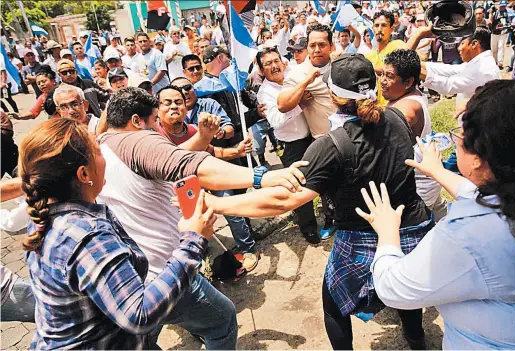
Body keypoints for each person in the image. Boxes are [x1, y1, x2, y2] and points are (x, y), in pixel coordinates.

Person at [203, 54, 433, 350]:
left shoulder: (331, 144)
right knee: (404, 286)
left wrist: (217, 205)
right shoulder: (400, 117)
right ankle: (416, 340)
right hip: (411, 226)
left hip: (362, 236)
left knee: (334, 303)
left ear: (333, 95)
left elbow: (282, 200)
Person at [364, 79, 515, 349]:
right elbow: (503, 202)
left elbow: (393, 288)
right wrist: (439, 172)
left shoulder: (467, 237)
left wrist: (387, 234)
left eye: (460, 133)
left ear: (479, 157)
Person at [97, 87, 307, 348]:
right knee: (223, 320)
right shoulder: (137, 140)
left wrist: (204, 137)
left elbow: (175, 156)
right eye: (153, 121)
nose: (156, 127)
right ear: (137, 121)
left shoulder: (102, 146)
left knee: (145, 336)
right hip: (167, 271)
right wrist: (261, 177)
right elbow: (190, 166)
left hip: (133, 276)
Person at [19, 117, 219, 349]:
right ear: (84, 175)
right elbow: (140, 314)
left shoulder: (44, 215)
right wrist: (192, 241)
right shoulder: (87, 238)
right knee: (222, 319)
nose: (106, 155)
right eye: (99, 150)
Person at [156, 85, 259, 271]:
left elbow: (213, 152)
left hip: (206, 178)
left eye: (178, 102)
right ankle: (198, 259)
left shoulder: (194, 130)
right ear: (157, 109)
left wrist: (237, 151)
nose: (174, 107)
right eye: (167, 103)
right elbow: (172, 158)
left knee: (231, 209)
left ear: (185, 108)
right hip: (178, 190)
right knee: (189, 224)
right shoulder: (155, 136)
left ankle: (248, 249)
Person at [278, 24, 339, 240]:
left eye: (322, 44)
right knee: (328, 186)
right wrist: (306, 83)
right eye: (312, 45)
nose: (316, 49)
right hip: (323, 139)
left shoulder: (341, 64)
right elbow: (283, 104)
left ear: (331, 46)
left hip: (352, 135)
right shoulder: (297, 73)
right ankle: (332, 220)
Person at [257, 46, 320, 244]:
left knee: (320, 177)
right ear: (261, 70)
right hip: (291, 145)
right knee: (298, 185)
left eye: (276, 60)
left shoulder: (293, 75)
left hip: (312, 135)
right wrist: (299, 105)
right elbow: (275, 120)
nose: (275, 66)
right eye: (268, 64)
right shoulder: (265, 93)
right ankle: (308, 227)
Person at [380, 49, 446, 220]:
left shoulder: (407, 109)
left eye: (389, 76)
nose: (383, 81)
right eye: (382, 74)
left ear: (408, 81)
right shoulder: (405, 95)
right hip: (424, 175)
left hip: (418, 184)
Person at [420, 25, 501, 106]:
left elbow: (448, 85)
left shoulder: (482, 70)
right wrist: (422, 64)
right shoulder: (480, 63)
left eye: (462, 43)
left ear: (474, 44)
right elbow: (451, 70)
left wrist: (417, 69)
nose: (459, 48)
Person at [365, 10, 429, 104]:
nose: (379, 29)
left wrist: (371, 68)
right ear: (372, 28)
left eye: (383, 25)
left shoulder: (398, 46)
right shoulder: (368, 56)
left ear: (392, 28)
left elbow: (406, 58)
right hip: (376, 110)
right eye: (376, 25)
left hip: (397, 107)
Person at [489, 0, 513, 69]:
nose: (502, 7)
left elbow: (510, 22)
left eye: (503, 6)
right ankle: (494, 62)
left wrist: (507, 26)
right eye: (501, 6)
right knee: (494, 49)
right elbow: (490, 20)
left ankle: (500, 63)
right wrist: (491, 13)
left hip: (503, 33)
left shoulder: (508, 12)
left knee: (501, 47)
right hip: (494, 32)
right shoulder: (494, 11)